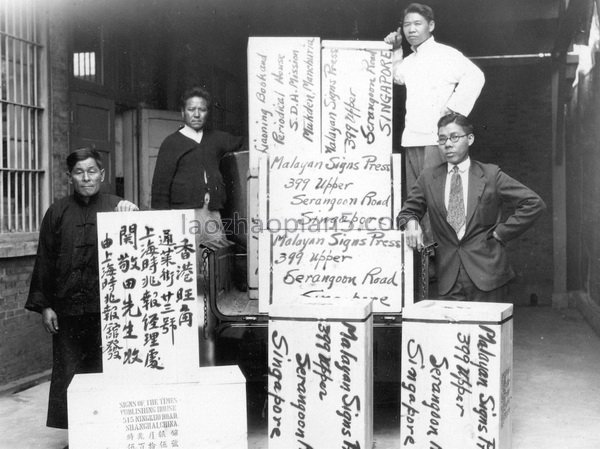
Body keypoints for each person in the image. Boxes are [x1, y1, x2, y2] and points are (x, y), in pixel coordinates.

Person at [25, 148, 138, 433]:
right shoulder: (57, 212)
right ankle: (79, 435)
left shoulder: (118, 206)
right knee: (70, 373)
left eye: (91, 171)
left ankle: (109, 433)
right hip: (68, 310)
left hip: (108, 311)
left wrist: (133, 213)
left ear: (102, 174)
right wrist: (45, 305)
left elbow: (141, 245)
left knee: (108, 370)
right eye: (79, 172)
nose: (86, 178)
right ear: (69, 177)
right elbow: (45, 259)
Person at [397, 113, 546, 301]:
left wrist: (502, 233)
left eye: (454, 137)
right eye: (442, 139)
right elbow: (408, 211)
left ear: (470, 139)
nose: (448, 144)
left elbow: (533, 203)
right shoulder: (428, 178)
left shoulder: (491, 175)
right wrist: (411, 223)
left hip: (488, 276)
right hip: (448, 279)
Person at [385, 2, 485, 243]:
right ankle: (427, 261)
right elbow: (396, 75)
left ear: (430, 26)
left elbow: (476, 76)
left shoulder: (446, 54)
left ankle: (442, 258)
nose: (411, 29)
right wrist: (396, 49)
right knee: (417, 201)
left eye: (417, 24)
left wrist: (453, 109)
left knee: (438, 202)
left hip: (437, 140)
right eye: (407, 25)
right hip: (412, 139)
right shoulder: (411, 60)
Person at [150, 86, 245, 245]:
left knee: (216, 254)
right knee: (186, 253)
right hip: (182, 214)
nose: (196, 114)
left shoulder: (216, 138)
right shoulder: (171, 142)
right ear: (183, 112)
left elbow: (242, 142)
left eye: (202, 109)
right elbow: (160, 186)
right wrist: (164, 221)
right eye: (191, 109)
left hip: (211, 213)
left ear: (207, 113)